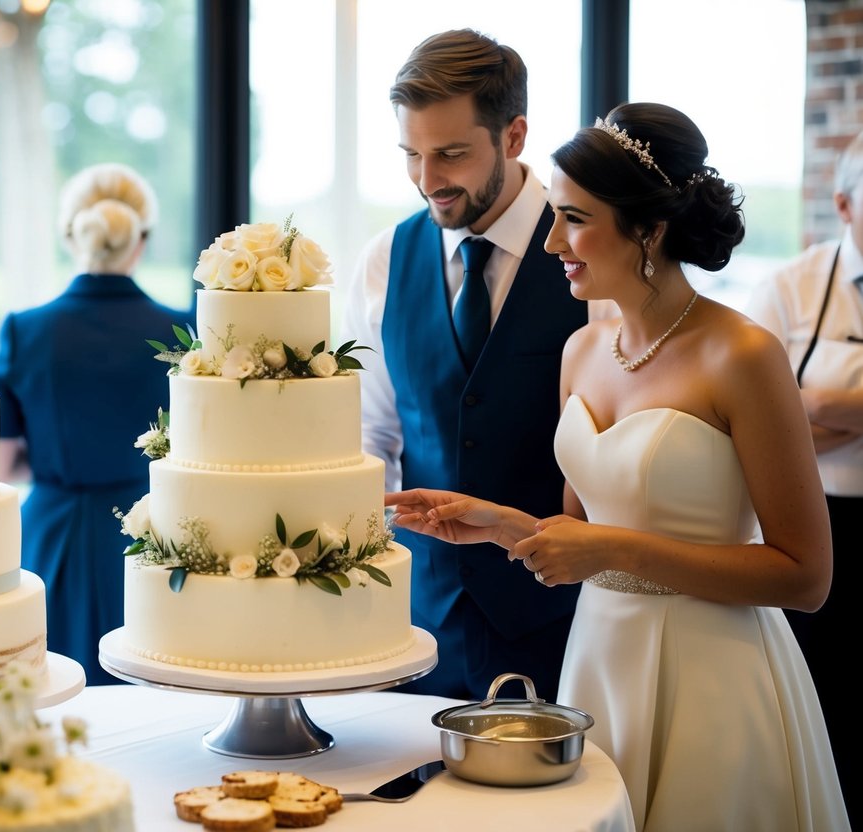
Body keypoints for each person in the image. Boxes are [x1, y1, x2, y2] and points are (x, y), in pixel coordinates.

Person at [386, 103, 848, 830]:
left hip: (711, 674)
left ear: (649, 229)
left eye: (572, 218)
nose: (550, 243)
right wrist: (502, 526)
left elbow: (805, 577)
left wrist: (612, 549)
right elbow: (584, 532)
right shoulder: (581, 352)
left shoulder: (744, 356)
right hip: (599, 656)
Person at [342, 28, 607, 701]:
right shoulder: (383, 260)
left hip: (562, 619)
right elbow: (372, 434)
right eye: (411, 155)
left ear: (513, 137)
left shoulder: (590, 256)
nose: (427, 181)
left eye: (451, 155)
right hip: (414, 621)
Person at [0, 162, 186, 686]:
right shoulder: (184, 331)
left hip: (54, 536)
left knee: (52, 692)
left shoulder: (25, 331)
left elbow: (2, 463)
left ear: (71, 235)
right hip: (161, 536)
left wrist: (51, 454)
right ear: (140, 240)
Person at [745, 129, 863, 826]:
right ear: (844, 204)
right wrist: (809, 415)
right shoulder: (788, 289)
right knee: (825, 713)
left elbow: (796, 413)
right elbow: (756, 431)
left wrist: (821, 405)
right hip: (815, 525)